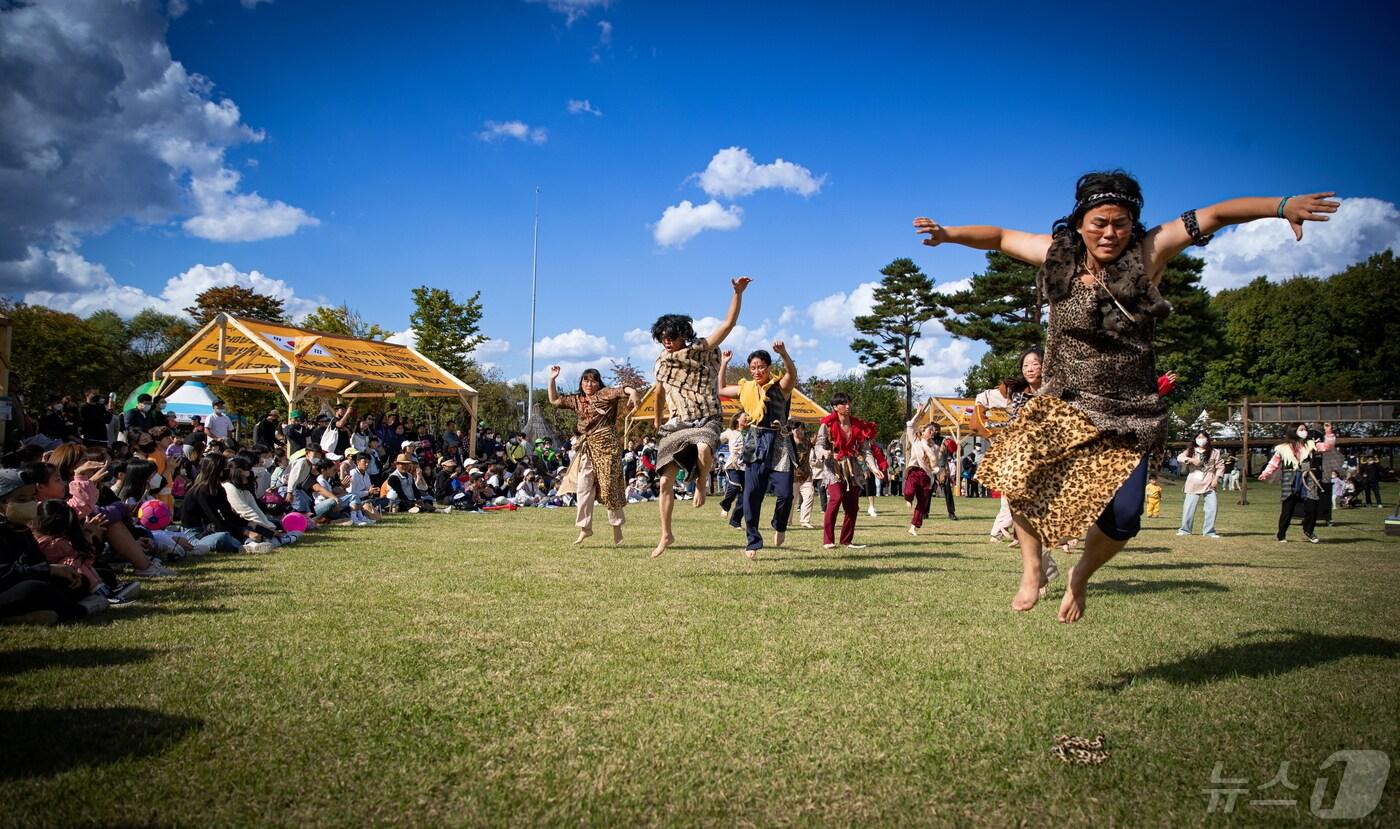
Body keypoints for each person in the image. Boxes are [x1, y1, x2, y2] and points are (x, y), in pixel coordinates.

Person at [917, 172, 1337, 621]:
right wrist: (948, 235)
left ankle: (1079, 576)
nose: (1110, 233)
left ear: (1132, 224)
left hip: (1128, 413)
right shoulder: (1057, 254)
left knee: (1124, 517)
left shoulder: (1147, 253)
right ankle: (1032, 568)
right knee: (1014, 473)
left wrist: (1281, 205)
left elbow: (1213, 215)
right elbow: (1000, 237)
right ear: (1080, 222)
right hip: (1064, 402)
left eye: (1120, 223)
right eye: (1100, 222)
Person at [647, 277, 750, 558]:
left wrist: (737, 293)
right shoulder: (662, 362)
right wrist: (658, 420)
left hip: (706, 417)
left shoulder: (701, 350)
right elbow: (658, 393)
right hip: (678, 422)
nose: (667, 342)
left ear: (683, 335)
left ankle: (702, 483)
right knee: (665, 482)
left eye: (671, 337)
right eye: (662, 338)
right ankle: (666, 534)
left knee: (704, 447)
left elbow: (727, 325)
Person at [718, 341, 798, 558]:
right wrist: (724, 363)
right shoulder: (746, 387)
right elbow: (722, 389)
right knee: (752, 493)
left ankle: (779, 524)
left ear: (769, 367)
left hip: (779, 441)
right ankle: (753, 540)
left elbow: (792, 372)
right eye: (753, 367)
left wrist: (784, 353)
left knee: (785, 494)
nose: (756, 371)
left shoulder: (780, 386)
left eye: (760, 366)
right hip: (755, 440)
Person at [548, 366, 639, 545]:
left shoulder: (605, 394)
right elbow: (555, 399)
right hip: (587, 447)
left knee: (608, 487)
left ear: (598, 383)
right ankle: (585, 528)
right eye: (586, 380)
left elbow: (622, 389)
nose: (589, 384)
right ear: (581, 382)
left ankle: (617, 529)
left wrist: (633, 392)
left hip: (607, 447)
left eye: (593, 380)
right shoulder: (577, 400)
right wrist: (552, 379)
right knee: (583, 487)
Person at [813, 392, 883, 549]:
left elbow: (865, 450)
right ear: (835, 407)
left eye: (849, 402)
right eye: (844, 403)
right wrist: (824, 453)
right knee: (836, 498)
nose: (848, 406)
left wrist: (873, 467)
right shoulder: (827, 425)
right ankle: (828, 540)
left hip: (853, 468)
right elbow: (819, 444)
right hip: (834, 466)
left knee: (852, 506)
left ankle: (846, 540)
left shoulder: (857, 425)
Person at [1259, 422, 1336, 543]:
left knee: (1312, 506)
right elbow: (1274, 463)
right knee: (1287, 509)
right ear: (1293, 431)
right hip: (1290, 479)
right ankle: (1281, 534)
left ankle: (1309, 530)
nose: (1304, 431)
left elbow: (1327, 447)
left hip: (1308, 478)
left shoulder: (1311, 444)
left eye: (1305, 429)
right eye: (1301, 429)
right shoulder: (1282, 448)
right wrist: (1265, 473)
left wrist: (1329, 433)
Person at [1177, 431, 1225, 537]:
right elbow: (1179, 457)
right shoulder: (1190, 451)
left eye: (1203, 437)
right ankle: (1185, 530)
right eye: (1199, 437)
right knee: (1189, 508)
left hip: (1209, 481)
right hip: (1193, 481)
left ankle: (1209, 531)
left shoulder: (1215, 452)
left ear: (1207, 439)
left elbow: (1220, 466)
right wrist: (1191, 460)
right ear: (1195, 439)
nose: (1201, 439)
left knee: (1212, 507)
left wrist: (1216, 479)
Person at [716, 408, 749, 530]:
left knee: (745, 497)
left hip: (747, 467)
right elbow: (716, 440)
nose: (747, 418)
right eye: (744, 416)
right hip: (733, 466)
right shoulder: (730, 432)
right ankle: (725, 504)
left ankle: (735, 521)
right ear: (737, 419)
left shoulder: (751, 432)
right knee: (734, 486)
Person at [790, 422, 816, 530]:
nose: (800, 431)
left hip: (806, 475)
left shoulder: (807, 442)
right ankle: (787, 521)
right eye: (797, 429)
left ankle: (805, 521)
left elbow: (816, 442)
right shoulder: (789, 442)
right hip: (792, 475)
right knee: (791, 500)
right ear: (792, 430)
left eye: (802, 429)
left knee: (810, 495)